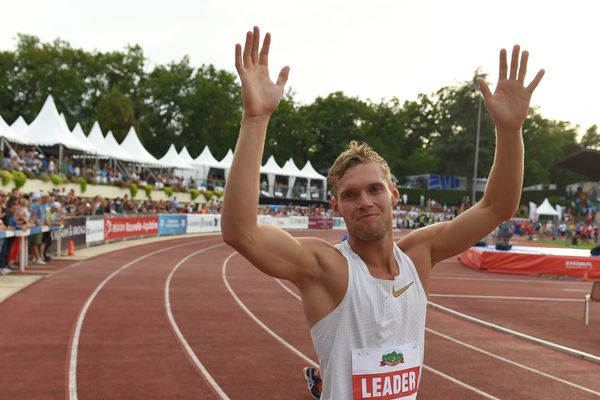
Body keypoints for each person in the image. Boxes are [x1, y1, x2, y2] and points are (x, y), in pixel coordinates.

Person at [221, 26, 544, 399]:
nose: (365, 201)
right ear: (336, 206)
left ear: (393, 194)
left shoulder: (420, 255)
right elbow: (240, 232)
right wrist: (256, 119)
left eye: (375, 189)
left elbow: (498, 206)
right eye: (351, 194)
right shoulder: (326, 268)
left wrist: (509, 129)